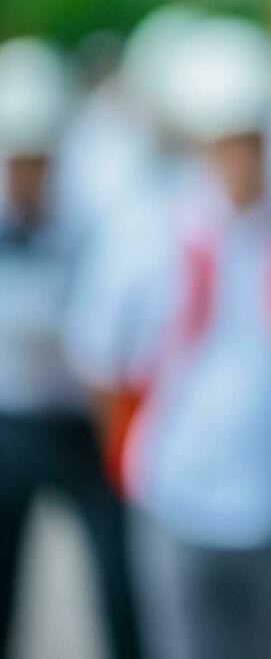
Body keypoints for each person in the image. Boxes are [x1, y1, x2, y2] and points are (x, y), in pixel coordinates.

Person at [68, 17, 271, 659]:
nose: (243, 161)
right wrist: (144, 455)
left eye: (254, 141)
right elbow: (101, 362)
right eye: (227, 144)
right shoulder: (146, 231)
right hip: (181, 496)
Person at [0, 39, 141, 659]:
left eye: (40, 158)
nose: (30, 173)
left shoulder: (93, 214)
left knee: (119, 574)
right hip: (11, 420)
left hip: (78, 419)